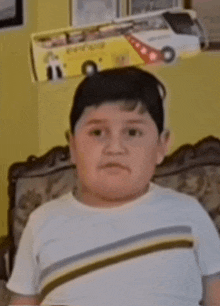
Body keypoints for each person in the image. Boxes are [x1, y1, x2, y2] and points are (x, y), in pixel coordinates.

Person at [7, 67, 220, 305]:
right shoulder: (43, 222)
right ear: (73, 146)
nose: (115, 147)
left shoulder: (187, 213)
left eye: (132, 132)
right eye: (97, 132)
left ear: (161, 145)